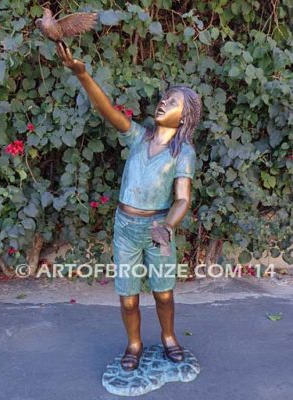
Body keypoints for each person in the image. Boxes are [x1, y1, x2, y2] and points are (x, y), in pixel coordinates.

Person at [56, 43, 202, 372]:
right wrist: (83, 75)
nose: (164, 102)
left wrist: (167, 226)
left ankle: (168, 337)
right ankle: (134, 343)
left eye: (174, 101)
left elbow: (182, 198)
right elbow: (107, 110)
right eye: (164, 98)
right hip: (125, 227)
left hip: (158, 230)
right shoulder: (137, 136)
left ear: (186, 116)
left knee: (163, 294)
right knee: (128, 296)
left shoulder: (183, 153)